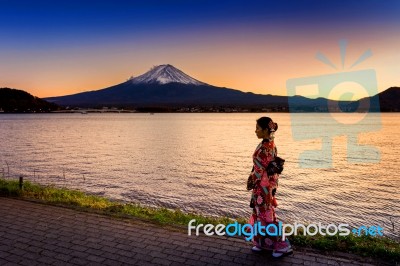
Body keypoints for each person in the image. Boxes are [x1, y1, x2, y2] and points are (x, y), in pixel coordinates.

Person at [247, 116, 292, 257]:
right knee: (262, 214)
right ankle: (262, 243)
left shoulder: (265, 147)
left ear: (266, 130)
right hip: (267, 185)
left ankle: (281, 246)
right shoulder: (270, 143)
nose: (255, 131)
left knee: (267, 216)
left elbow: (259, 171)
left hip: (263, 187)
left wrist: (250, 182)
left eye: (258, 128)